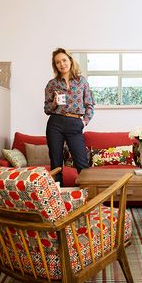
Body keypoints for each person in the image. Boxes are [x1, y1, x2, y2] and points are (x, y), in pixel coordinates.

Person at [44, 48, 94, 186]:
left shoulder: (82, 82)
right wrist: (54, 103)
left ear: (70, 61)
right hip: (56, 123)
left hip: (75, 122)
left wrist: (84, 122)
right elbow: (47, 109)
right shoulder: (52, 84)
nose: (62, 64)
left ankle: (87, 194)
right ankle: (57, 196)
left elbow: (90, 104)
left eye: (64, 60)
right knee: (56, 162)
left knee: (82, 162)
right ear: (56, 66)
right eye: (58, 62)